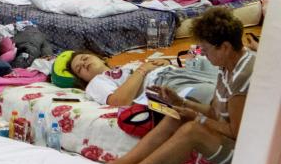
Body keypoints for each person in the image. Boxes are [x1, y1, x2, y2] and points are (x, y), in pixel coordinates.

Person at [108, 8, 256, 164]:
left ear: (225, 47)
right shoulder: (226, 65)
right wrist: (181, 103)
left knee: (192, 130)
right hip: (232, 135)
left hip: (248, 151)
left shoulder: (243, 76)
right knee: (176, 114)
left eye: (206, 50)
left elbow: (235, 132)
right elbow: (215, 112)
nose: (204, 55)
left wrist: (197, 118)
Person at [67, 51, 216, 107]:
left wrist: (164, 63)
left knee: (228, 81)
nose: (84, 63)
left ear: (99, 57)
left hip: (176, 73)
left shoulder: (123, 67)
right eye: (79, 69)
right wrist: (143, 69)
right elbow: (120, 101)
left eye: (84, 58)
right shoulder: (96, 83)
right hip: (163, 85)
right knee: (216, 97)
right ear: (83, 79)